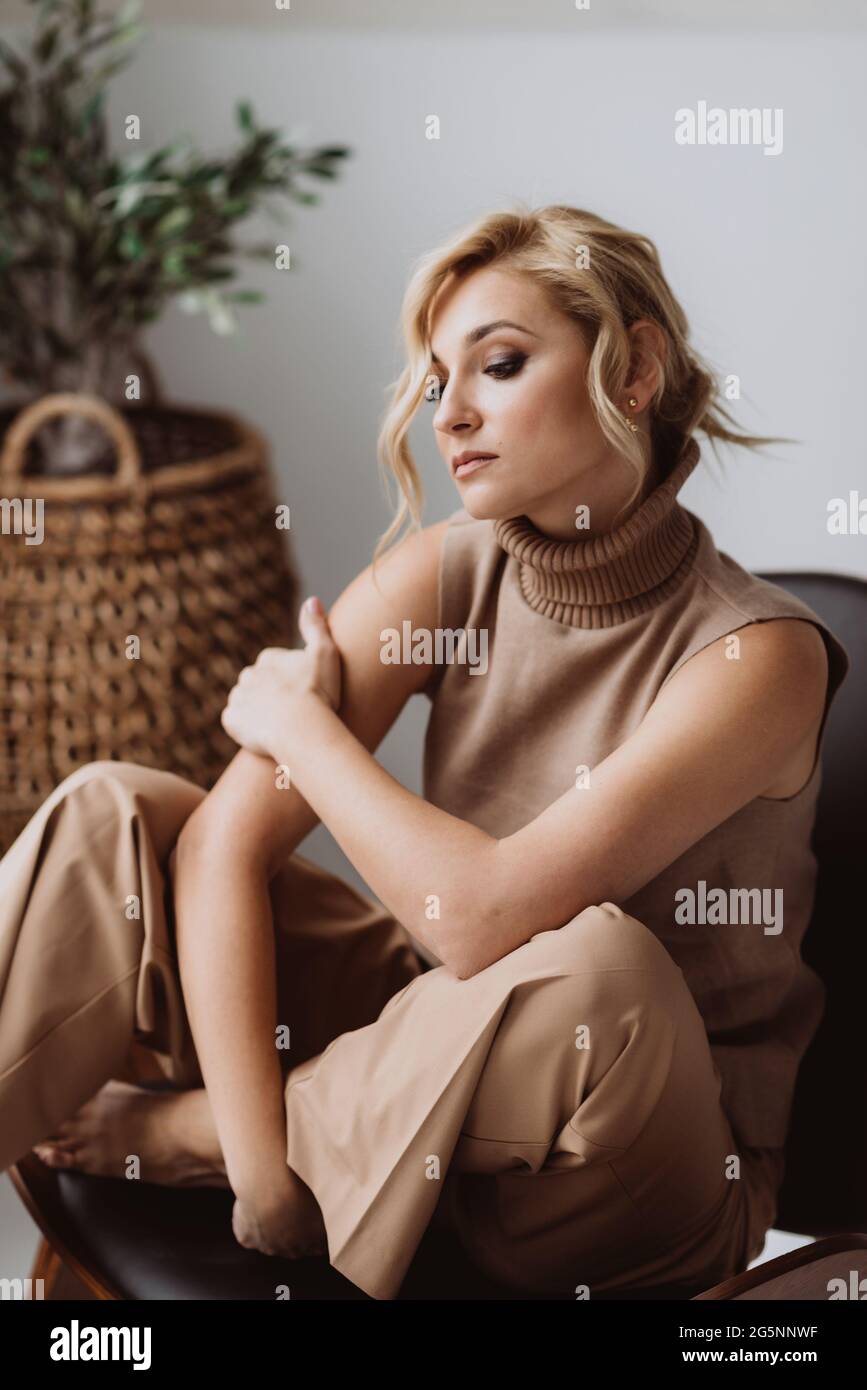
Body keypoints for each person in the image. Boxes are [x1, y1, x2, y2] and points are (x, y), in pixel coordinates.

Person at [0, 204, 850, 1302]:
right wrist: (263, 1176)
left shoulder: (759, 656)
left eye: (498, 365)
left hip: (633, 1157)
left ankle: (192, 1127)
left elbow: (487, 919)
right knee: (111, 811)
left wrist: (303, 728)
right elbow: (220, 849)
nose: (449, 415)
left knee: (600, 968)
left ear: (633, 370)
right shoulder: (444, 572)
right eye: (439, 380)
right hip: (419, 1062)